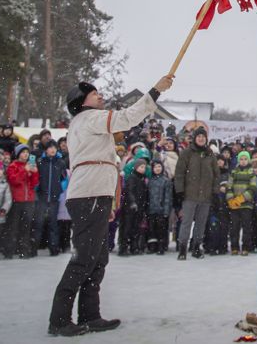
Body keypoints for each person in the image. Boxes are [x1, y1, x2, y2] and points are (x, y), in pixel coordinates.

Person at [49, 75, 173, 337]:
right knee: (84, 257)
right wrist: (155, 91)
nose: (101, 96)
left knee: (97, 258)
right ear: (82, 102)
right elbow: (128, 117)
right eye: (95, 94)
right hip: (90, 194)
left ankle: (90, 315)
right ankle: (59, 319)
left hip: (95, 193)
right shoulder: (89, 118)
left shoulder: (85, 122)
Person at [174, 125, 219, 261]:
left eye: (203, 137)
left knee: (201, 223)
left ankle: (196, 247)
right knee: (186, 222)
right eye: (198, 136)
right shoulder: (187, 153)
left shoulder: (210, 154)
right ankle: (182, 248)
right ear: (194, 138)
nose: (201, 139)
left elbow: (216, 175)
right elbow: (179, 173)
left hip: (206, 195)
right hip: (190, 194)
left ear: (206, 139)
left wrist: (215, 192)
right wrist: (179, 191)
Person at [6, 144, 39, 259]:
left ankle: (24, 251)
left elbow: (34, 183)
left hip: (29, 200)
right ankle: (9, 251)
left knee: (26, 227)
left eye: (27, 152)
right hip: (16, 200)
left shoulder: (30, 165)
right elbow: (14, 180)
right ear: (18, 154)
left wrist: (35, 172)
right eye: (23, 152)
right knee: (13, 227)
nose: (25, 154)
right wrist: (24, 171)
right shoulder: (13, 166)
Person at [227, 150, 256, 255]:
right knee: (234, 226)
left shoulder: (251, 172)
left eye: (245, 159)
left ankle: (245, 247)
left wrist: (242, 198)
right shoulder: (234, 172)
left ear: (248, 160)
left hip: (246, 204)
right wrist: (231, 199)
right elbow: (229, 186)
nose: (243, 161)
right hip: (234, 204)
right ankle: (234, 247)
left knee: (246, 226)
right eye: (241, 159)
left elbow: (253, 188)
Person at [146, 159, 173, 254]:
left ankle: (162, 246)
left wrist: (166, 210)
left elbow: (168, 197)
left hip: (161, 209)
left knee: (161, 229)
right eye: (155, 167)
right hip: (151, 209)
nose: (157, 169)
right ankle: (152, 246)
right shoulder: (150, 181)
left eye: (159, 166)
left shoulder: (166, 181)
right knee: (152, 229)